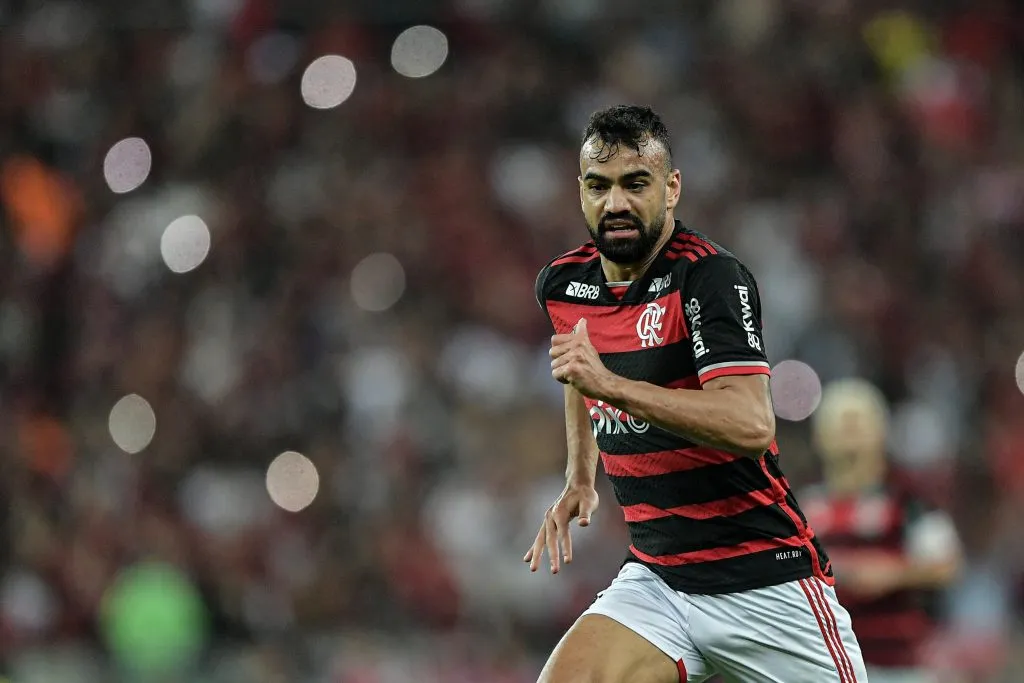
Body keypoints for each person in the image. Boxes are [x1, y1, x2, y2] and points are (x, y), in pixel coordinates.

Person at [528, 105, 869, 683]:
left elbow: (750, 424)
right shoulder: (564, 283)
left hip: (764, 579)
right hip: (660, 579)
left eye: (636, 184)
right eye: (598, 186)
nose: (616, 204)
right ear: (580, 191)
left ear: (671, 187)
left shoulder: (709, 278)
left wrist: (613, 385)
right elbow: (576, 366)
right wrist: (580, 477)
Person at [800, 379, 963, 683]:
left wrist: (892, 573)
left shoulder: (909, 504)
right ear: (819, 436)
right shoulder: (802, 509)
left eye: (857, 422)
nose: (849, 432)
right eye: (839, 423)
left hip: (897, 668)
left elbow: (947, 565)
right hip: (825, 670)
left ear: (881, 432)